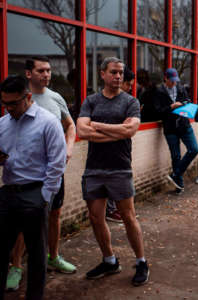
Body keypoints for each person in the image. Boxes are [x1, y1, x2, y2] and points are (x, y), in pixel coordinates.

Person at [6, 56, 77, 293]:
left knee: (52, 216)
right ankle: (16, 266)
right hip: (17, 185)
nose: (46, 74)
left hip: (46, 178)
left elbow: (70, 126)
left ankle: (53, 256)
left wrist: (68, 149)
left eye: (48, 70)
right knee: (18, 230)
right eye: (41, 70)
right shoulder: (9, 112)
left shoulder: (54, 101)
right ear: (29, 74)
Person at [76, 57, 149, 286]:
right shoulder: (91, 100)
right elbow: (81, 130)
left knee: (128, 217)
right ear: (102, 74)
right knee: (96, 218)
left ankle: (141, 261)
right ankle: (109, 261)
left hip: (120, 168)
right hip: (94, 169)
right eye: (114, 72)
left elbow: (130, 131)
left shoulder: (131, 102)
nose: (118, 76)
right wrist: (115, 130)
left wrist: (97, 125)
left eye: (120, 73)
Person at [153, 68, 198, 194]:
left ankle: (175, 174)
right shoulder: (159, 91)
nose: (174, 83)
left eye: (176, 81)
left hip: (184, 124)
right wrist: (171, 107)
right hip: (170, 128)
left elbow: (188, 101)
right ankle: (179, 185)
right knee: (176, 156)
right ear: (165, 79)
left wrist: (183, 104)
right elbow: (157, 111)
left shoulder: (180, 88)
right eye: (172, 81)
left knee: (194, 149)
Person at [104, 66, 136, 224]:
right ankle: (110, 210)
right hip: (107, 151)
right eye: (128, 84)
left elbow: (128, 129)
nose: (130, 88)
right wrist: (119, 129)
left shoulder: (129, 103)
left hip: (122, 149)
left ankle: (115, 208)